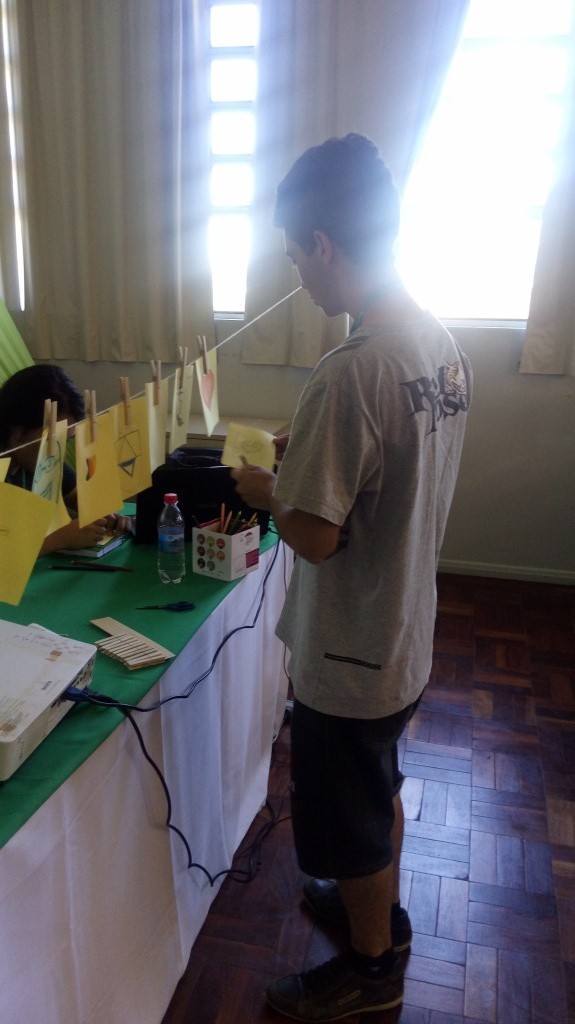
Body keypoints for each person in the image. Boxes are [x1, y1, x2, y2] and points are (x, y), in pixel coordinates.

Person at [231, 133, 472, 1021]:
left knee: (350, 817)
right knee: (379, 787)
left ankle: (370, 973)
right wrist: (312, 454)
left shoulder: (349, 370)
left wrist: (266, 489)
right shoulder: (436, 342)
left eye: (296, 256)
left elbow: (315, 535)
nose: (299, 278)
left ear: (324, 245)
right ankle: (381, 915)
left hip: (347, 653)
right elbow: (393, 462)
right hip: (402, 634)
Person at [0, 364, 128, 555]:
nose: (56, 453)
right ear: (16, 429)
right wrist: (58, 539)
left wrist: (102, 515)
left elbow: (76, 496)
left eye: (65, 441)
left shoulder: (38, 461)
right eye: (51, 441)